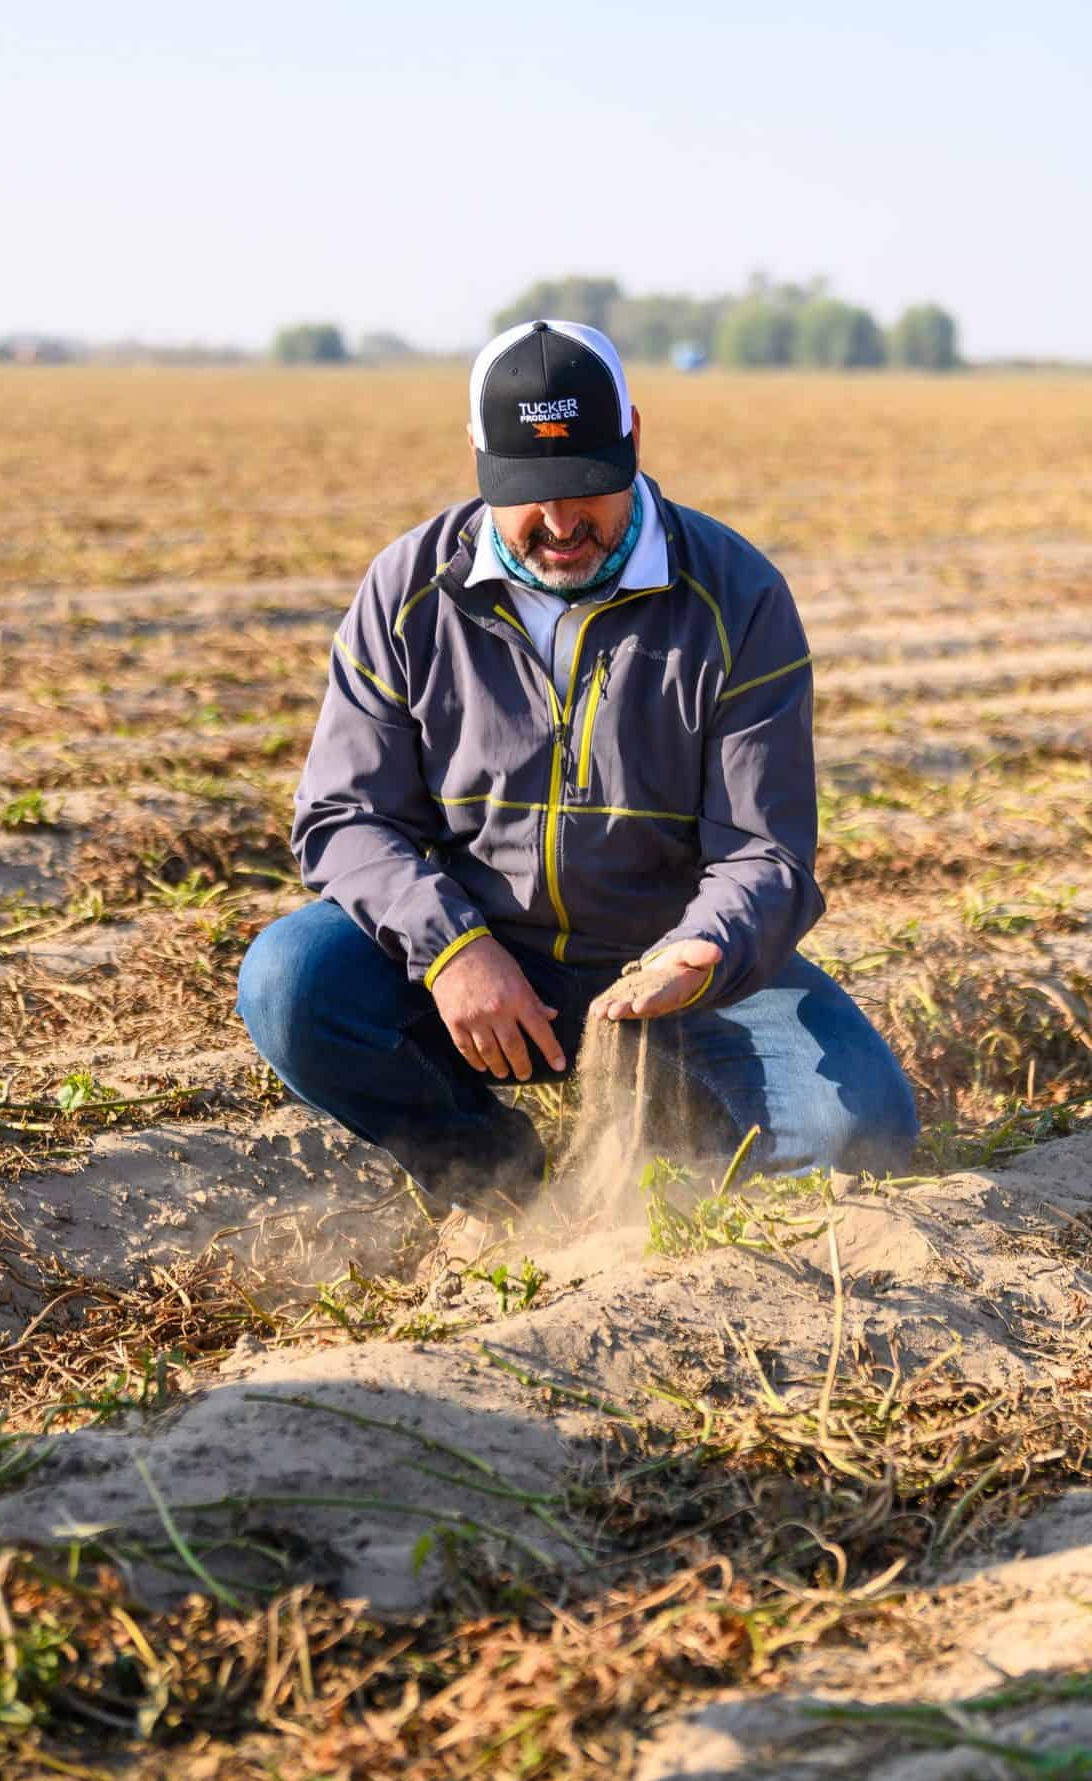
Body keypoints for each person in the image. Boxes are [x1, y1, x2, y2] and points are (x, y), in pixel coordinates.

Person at [237, 319, 917, 1207]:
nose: (561, 524)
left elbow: (766, 851)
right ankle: (499, 1181)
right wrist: (453, 951)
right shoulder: (407, 592)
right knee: (292, 983)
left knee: (858, 1137)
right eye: (529, 492)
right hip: (481, 953)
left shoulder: (737, 598)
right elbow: (344, 816)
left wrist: (698, 956)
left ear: (633, 435)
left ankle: (680, 1135)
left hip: (675, 971)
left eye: (589, 487)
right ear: (478, 457)